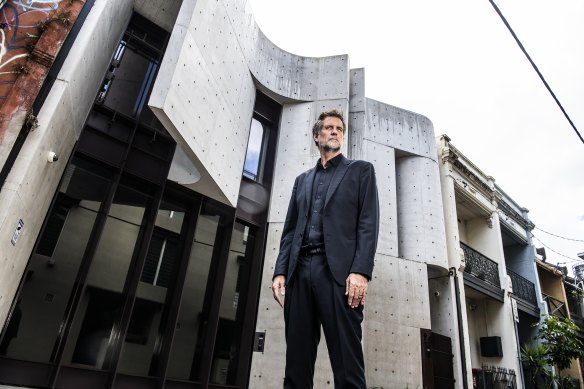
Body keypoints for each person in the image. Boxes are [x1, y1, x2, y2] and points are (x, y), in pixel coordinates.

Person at [272, 109, 379, 389]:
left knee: (347, 362)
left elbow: (368, 223)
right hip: (299, 273)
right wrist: (280, 271)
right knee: (296, 361)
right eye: (329, 128)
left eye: (339, 129)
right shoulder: (302, 181)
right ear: (316, 135)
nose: (335, 132)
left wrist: (360, 271)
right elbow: (290, 230)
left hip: (339, 275)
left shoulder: (361, 171)